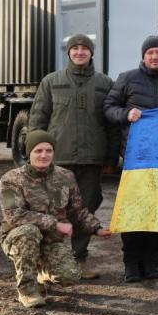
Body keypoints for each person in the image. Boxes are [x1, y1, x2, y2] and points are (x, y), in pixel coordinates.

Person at [104, 36, 158, 283]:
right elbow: (108, 107)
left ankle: (152, 260)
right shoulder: (127, 78)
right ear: (143, 56)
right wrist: (125, 114)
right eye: (150, 53)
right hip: (135, 159)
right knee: (133, 212)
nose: (155, 57)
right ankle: (131, 263)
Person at [28, 33, 115, 280]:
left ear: (91, 53)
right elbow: (37, 120)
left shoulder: (104, 83)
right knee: (55, 210)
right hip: (59, 159)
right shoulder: (51, 82)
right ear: (68, 53)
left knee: (86, 209)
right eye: (75, 49)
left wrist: (110, 156)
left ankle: (79, 258)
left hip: (91, 159)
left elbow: (111, 124)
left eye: (84, 49)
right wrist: (35, 153)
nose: (79, 52)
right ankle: (48, 261)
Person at [0, 131, 111, 308]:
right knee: (29, 231)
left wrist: (97, 228)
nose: (44, 155)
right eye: (38, 151)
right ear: (29, 153)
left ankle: (41, 271)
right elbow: (14, 215)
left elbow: (77, 210)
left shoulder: (65, 177)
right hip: (19, 238)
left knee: (69, 276)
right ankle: (27, 291)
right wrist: (56, 224)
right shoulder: (10, 179)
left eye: (48, 150)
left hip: (51, 240)